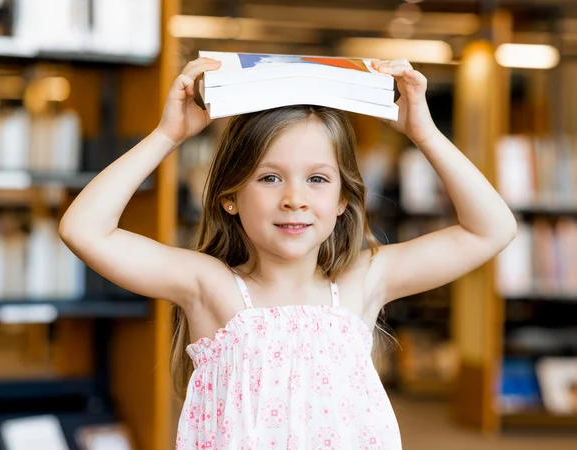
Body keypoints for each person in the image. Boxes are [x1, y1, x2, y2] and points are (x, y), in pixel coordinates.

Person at [59, 57, 517, 449]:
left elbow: (491, 229)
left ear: (342, 200)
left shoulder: (364, 280)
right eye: (270, 177)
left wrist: (426, 134)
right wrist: (167, 135)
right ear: (229, 196)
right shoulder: (210, 286)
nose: (294, 198)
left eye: (317, 179)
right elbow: (85, 230)